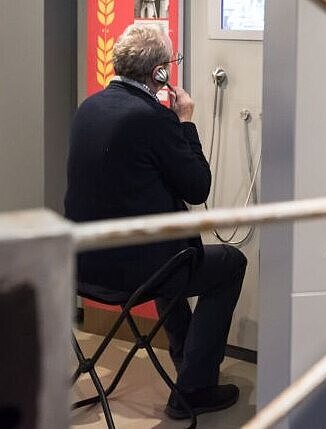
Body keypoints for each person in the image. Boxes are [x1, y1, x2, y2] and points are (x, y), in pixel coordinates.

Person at [65, 24, 245, 420]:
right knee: (230, 264)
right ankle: (194, 389)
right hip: (133, 274)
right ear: (159, 74)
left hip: (81, 265)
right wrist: (185, 121)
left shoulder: (89, 108)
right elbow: (198, 187)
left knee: (173, 248)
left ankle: (186, 363)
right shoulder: (154, 119)